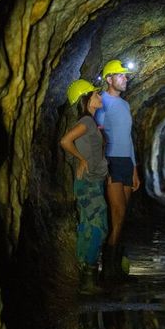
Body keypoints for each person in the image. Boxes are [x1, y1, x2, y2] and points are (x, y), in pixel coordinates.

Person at [60, 79, 108, 294]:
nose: (100, 96)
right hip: (87, 183)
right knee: (96, 227)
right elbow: (65, 141)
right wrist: (81, 159)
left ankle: (88, 279)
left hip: (93, 182)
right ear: (87, 99)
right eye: (96, 94)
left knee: (91, 227)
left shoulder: (91, 122)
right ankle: (87, 279)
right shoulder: (87, 122)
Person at [95, 59, 140, 281]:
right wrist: (105, 166)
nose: (125, 79)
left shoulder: (124, 104)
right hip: (111, 161)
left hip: (125, 162)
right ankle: (108, 267)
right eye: (121, 76)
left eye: (125, 76)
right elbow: (99, 136)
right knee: (117, 213)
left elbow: (128, 138)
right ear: (109, 79)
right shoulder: (102, 102)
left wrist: (135, 169)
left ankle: (115, 264)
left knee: (122, 217)